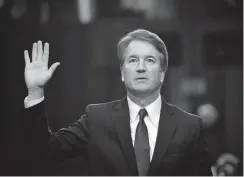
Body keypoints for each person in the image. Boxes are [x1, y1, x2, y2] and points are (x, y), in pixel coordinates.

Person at [22, 29, 229, 176]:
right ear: (122, 73)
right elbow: (44, 152)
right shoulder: (96, 118)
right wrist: (35, 91)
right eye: (132, 60)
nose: (141, 67)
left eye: (149, 60)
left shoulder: (190, 126)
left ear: (162, 74)